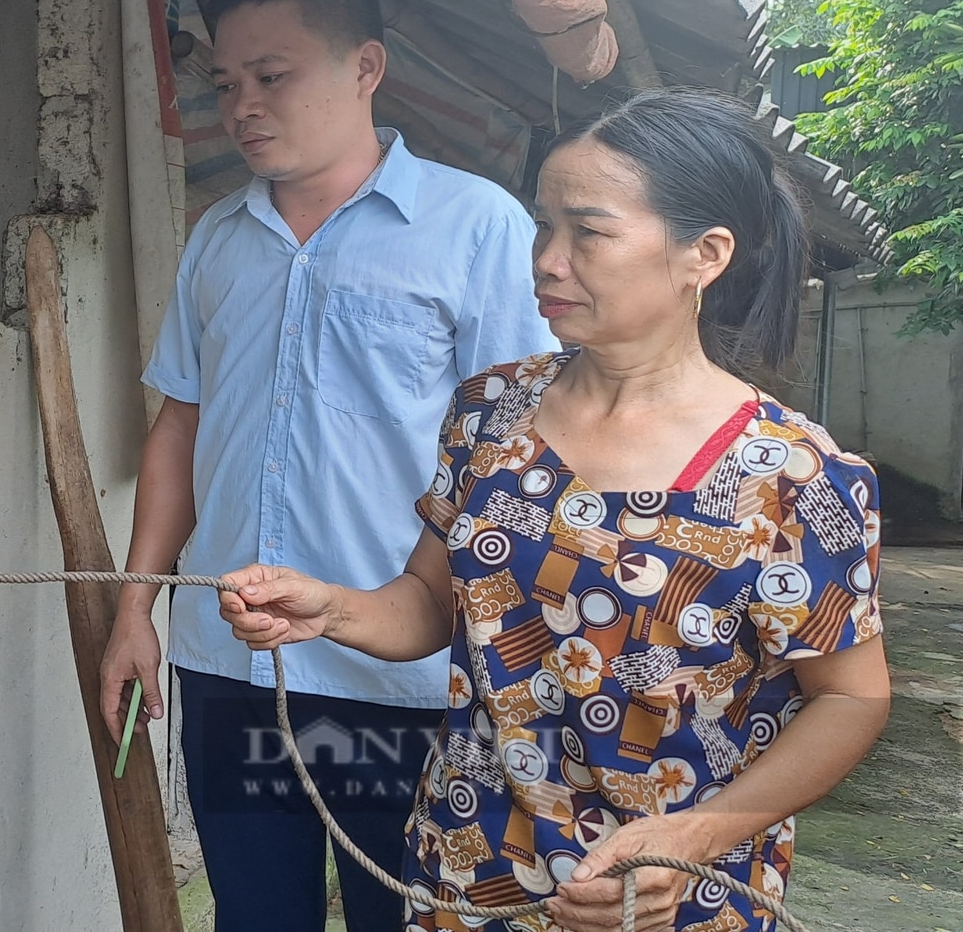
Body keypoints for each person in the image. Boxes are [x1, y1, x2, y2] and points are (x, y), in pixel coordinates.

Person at [218, 87, 892, 932]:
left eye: (590, 230)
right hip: (469, 870)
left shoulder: (795, 473)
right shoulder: (490, 412)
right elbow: (431, 603)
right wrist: (331, 609)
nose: (548, 258)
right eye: (544, 226)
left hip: (670, 894)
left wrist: (696, 835)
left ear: (704, 254)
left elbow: (852, 699)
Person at [98, 0, 557, 932]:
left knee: (413, 916)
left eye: (271, 74)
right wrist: (135, 608)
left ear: (364, 68)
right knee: (256, 915)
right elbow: (178, 425)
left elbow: (515, 457)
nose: (243, 104)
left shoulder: (474, 229)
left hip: (403, 674)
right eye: (225, 82)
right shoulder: (216, 239)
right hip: (233, 666)